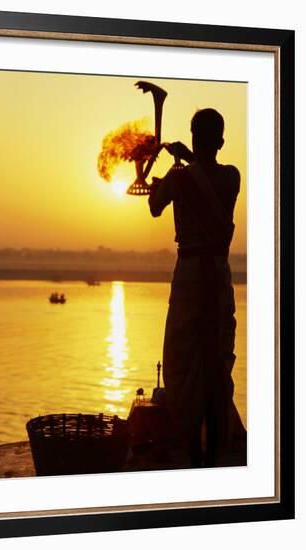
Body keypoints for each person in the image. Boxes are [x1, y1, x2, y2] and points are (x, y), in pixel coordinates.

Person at [138, 108, 241, 467]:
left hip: (189, 278)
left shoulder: (179, 177)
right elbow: (209, 177)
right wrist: (188, 160)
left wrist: (173, 167)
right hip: (217, 273)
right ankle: (213, 448)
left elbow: (153, 206)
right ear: (221, 141)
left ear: (193, 137)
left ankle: (191, 448)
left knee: (183, 363)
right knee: (214, 361)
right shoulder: (231, 177)